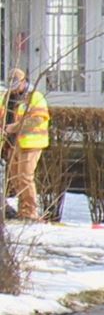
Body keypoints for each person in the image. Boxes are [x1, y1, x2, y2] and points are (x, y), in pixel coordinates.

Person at [4, 69, 47, 222]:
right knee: (16, 178)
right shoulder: (7, 98)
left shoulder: (34, 97)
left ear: (24, 82)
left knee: (25, 177)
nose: (14, 88)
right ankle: (23, 211)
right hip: (13, 143)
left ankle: (30, 213)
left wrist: (14, 127)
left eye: (16, 85)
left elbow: (37, 120)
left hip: (31, 143)